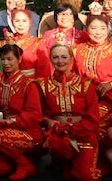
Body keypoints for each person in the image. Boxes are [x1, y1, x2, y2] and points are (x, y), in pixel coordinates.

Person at [37, 44, 101, 181]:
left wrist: (71, 128)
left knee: (84, 176)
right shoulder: (43, 85)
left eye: (64, 57)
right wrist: (49, 122)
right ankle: (62, 161)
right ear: (50, 59)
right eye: (55, 57)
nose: (60, 61)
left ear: (71, 58)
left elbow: (93, 119)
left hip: (83, 135)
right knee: (55, 146)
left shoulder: (86, 84)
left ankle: (71, 163)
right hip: (56, 133)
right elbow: (39, 114)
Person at [0, 44, 43, 180]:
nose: (5, 63)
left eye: (10, 59)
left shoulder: (28, 84)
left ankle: (25, 164)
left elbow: (35, 114)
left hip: (27, 131)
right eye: (3, 59)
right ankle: (20, 158)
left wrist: (11, 121)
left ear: (19, 59)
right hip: (2, 129)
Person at [74, 14, 112, 139]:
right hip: (82, 96)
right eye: (94, 28)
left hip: (109, 98)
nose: (98, 32)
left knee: (92, 123)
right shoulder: (76, 50)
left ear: (108, 30)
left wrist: (111, 83)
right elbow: (71, 75)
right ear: (86, 29)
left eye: (102, 28)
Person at [40, 3, 89, 76]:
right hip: (52, 76)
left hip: (76, 76)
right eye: (61, 14)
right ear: (56, 17)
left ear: (74, 17)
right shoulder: (48, 35)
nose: (64, 17)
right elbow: (43, 57)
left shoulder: (83, 36)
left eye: (69, 14)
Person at [1, 9, 45, 77]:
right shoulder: (6, 42)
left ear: (30, 23)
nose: (21, 24)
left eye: (24, 21)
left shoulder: (38, 43)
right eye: (17, 21)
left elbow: (44, 69)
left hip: (31, 83)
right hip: (11, 84)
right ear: (12, 23)